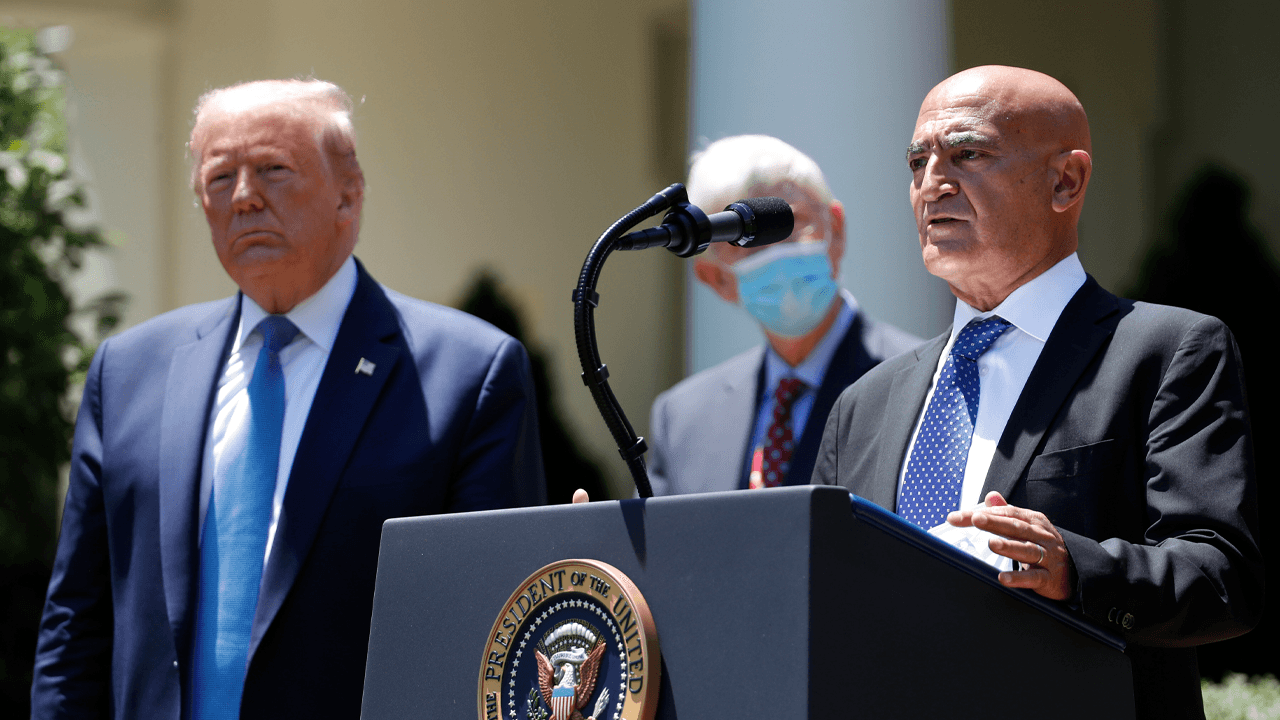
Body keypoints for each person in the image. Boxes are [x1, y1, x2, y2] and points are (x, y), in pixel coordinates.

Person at [31, 79, 545, 720]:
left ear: (348, 195)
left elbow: (494, 631)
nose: (245, 197)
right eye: (221, 178)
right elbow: (76, 622)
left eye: (273, 170)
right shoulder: (129, 373)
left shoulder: (466, 374)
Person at [812, 66, 1263, 719]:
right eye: (917, 162)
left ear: (1065, 181)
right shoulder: (865, 404)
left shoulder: (1165, 351)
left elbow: (1222, 578)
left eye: (968, 154)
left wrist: (1072, 567)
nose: (932, 181)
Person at [648, 135, 921, 495]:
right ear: (715, 278)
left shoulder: (922, 385)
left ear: (836, 230)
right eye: (743, 239)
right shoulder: (683, 419)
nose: (776, 250)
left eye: (791, 223)